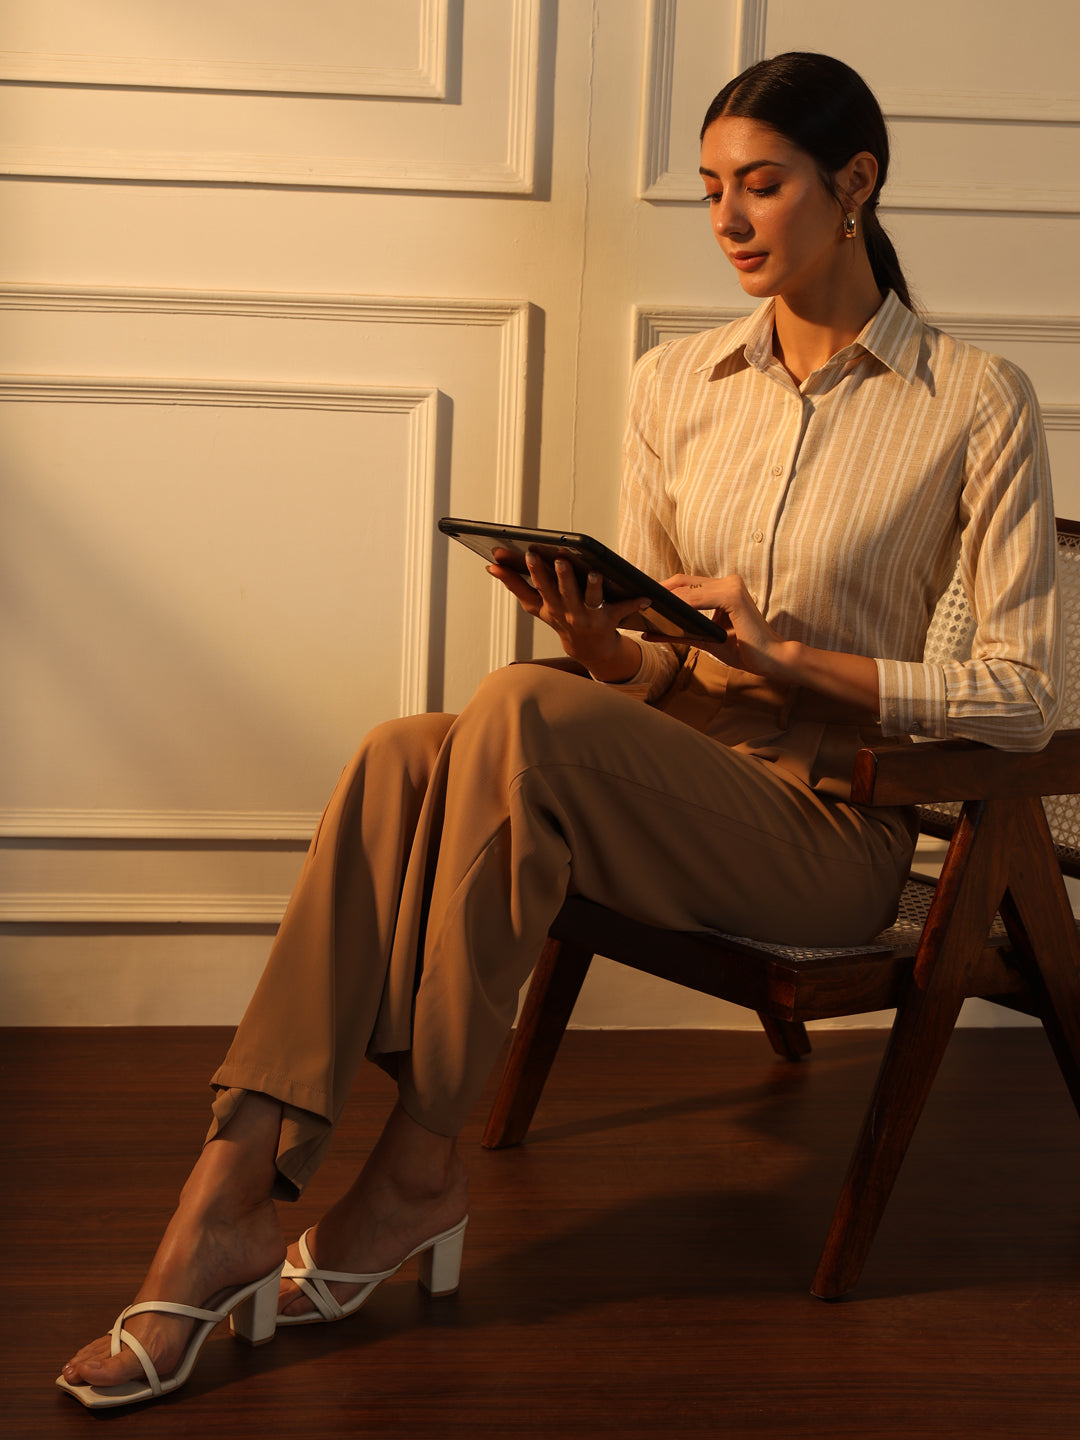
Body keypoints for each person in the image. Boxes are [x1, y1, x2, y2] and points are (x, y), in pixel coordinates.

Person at [57, 52, 1060, 1408]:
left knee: (514, 711)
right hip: (674, 779)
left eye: (762, 185)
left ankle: (414, 1166)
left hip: (831, 829)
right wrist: (604, 644)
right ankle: (232, 1187)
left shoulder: (972, 400)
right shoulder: (679, 382)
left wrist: (794, 656)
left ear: (856, 185)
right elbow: (654, 672)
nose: (729, 220)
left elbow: (1022, 691)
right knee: (404, 752)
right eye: (712, 190)